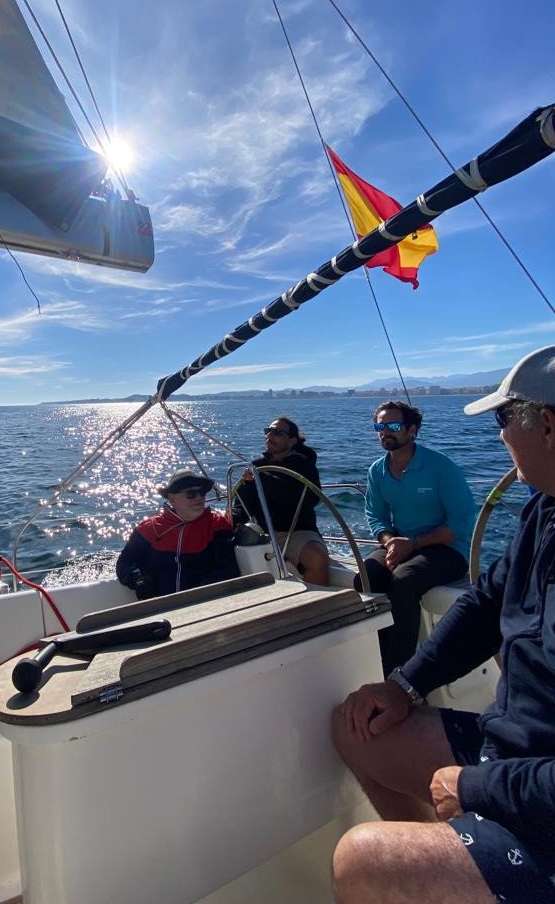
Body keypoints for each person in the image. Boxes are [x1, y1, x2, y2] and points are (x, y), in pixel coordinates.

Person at [331, 345, 555, 904]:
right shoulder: (544, 509)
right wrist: (404, 684)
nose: (500, 436)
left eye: (504, 419)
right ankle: (460, 863)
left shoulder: (447, 468)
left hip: (536, 787)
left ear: (547, 425)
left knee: (363, 859)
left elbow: (456, 527)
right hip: (511, 749)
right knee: (354, 726)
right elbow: (485, 605)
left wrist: (478, 786)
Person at [358, 400, 475, 673]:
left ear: (412, 430)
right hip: (401, 542)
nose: (385, 431)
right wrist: (390, 543)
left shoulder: (441, 467)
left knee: (404, 580)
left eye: (393, 426)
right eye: (380, 426)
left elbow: (461, 523)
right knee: (365, 575)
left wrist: (412, 544)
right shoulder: (377, 470)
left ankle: (401, 673)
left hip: (448, 549)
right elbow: (375, 516)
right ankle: (375, 655)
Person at [231, 416, 329, 584]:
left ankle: (319, 607)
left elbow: (309, 498)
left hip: (299, 531)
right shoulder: (256, 467)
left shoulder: (304, 466)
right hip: (265, 534)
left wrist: (263, 479)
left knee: (316, 558)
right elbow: (242, 507)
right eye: (268, 431)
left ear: (291, 441)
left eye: (277, 432)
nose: (270, 435)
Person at [116, 469, 239, 598]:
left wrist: (194, 598)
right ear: (173, 499)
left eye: (202, 493)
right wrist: (138, 578)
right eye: (191, 494)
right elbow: (124, 563)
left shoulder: (217, 525)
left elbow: (227, 570)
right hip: (156, 606)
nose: (199, 498)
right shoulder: (149, 529)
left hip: (205, 603)